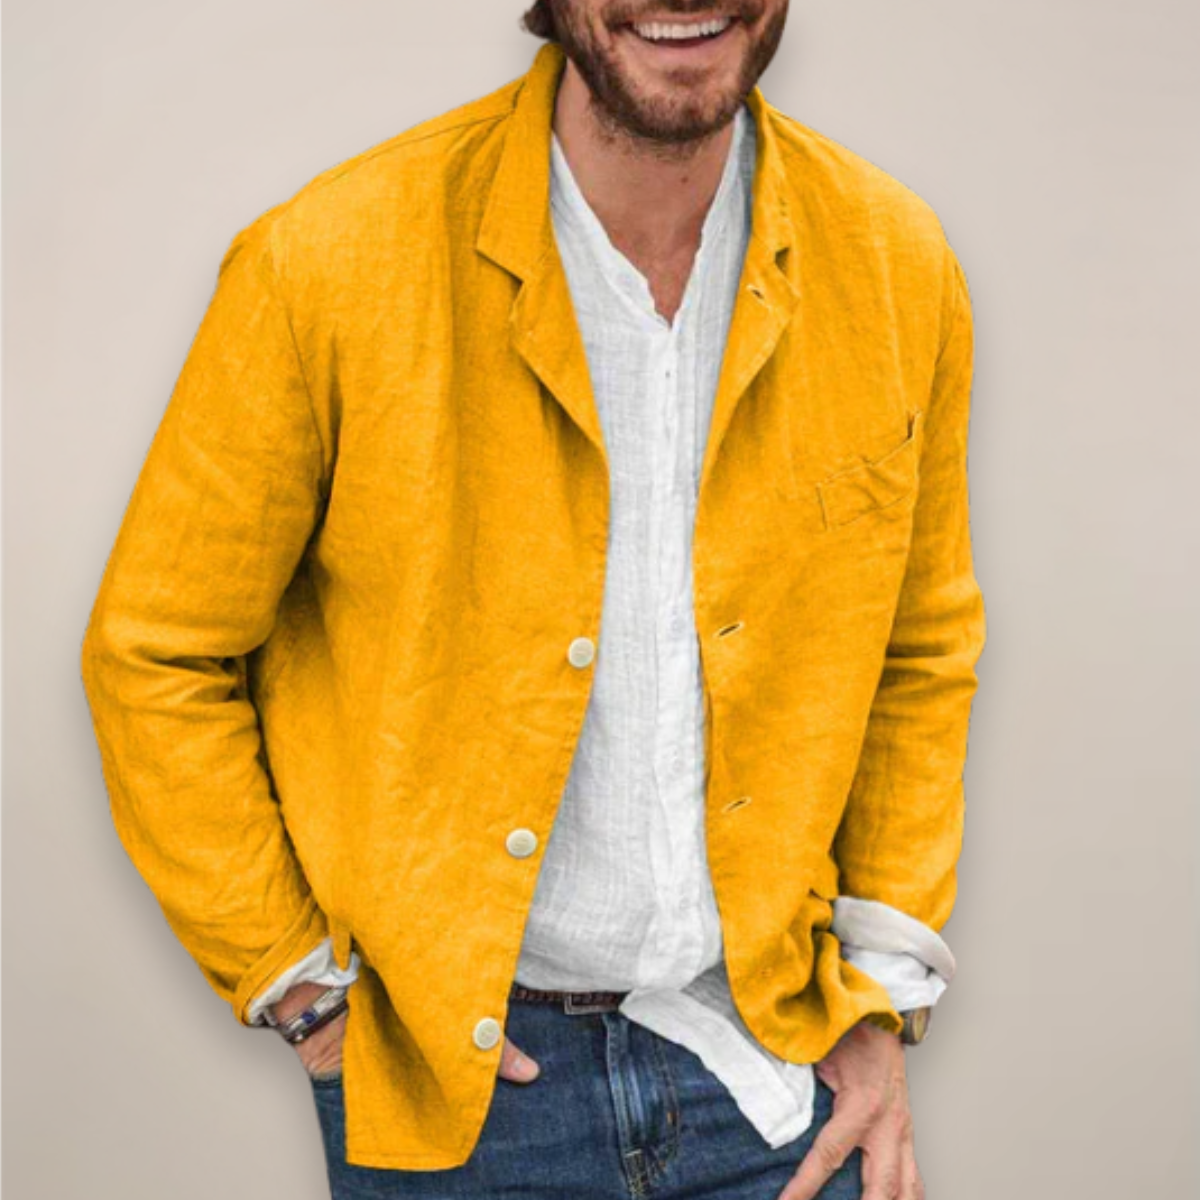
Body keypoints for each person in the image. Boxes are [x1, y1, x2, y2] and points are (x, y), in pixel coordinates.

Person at [80, 1, 986, 1197]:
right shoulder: (328, 261)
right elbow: (155, 649)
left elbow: (920, 645)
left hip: (777, 1080)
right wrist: (303, 992)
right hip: (468, 1108)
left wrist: (881, 996)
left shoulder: (894, 260)